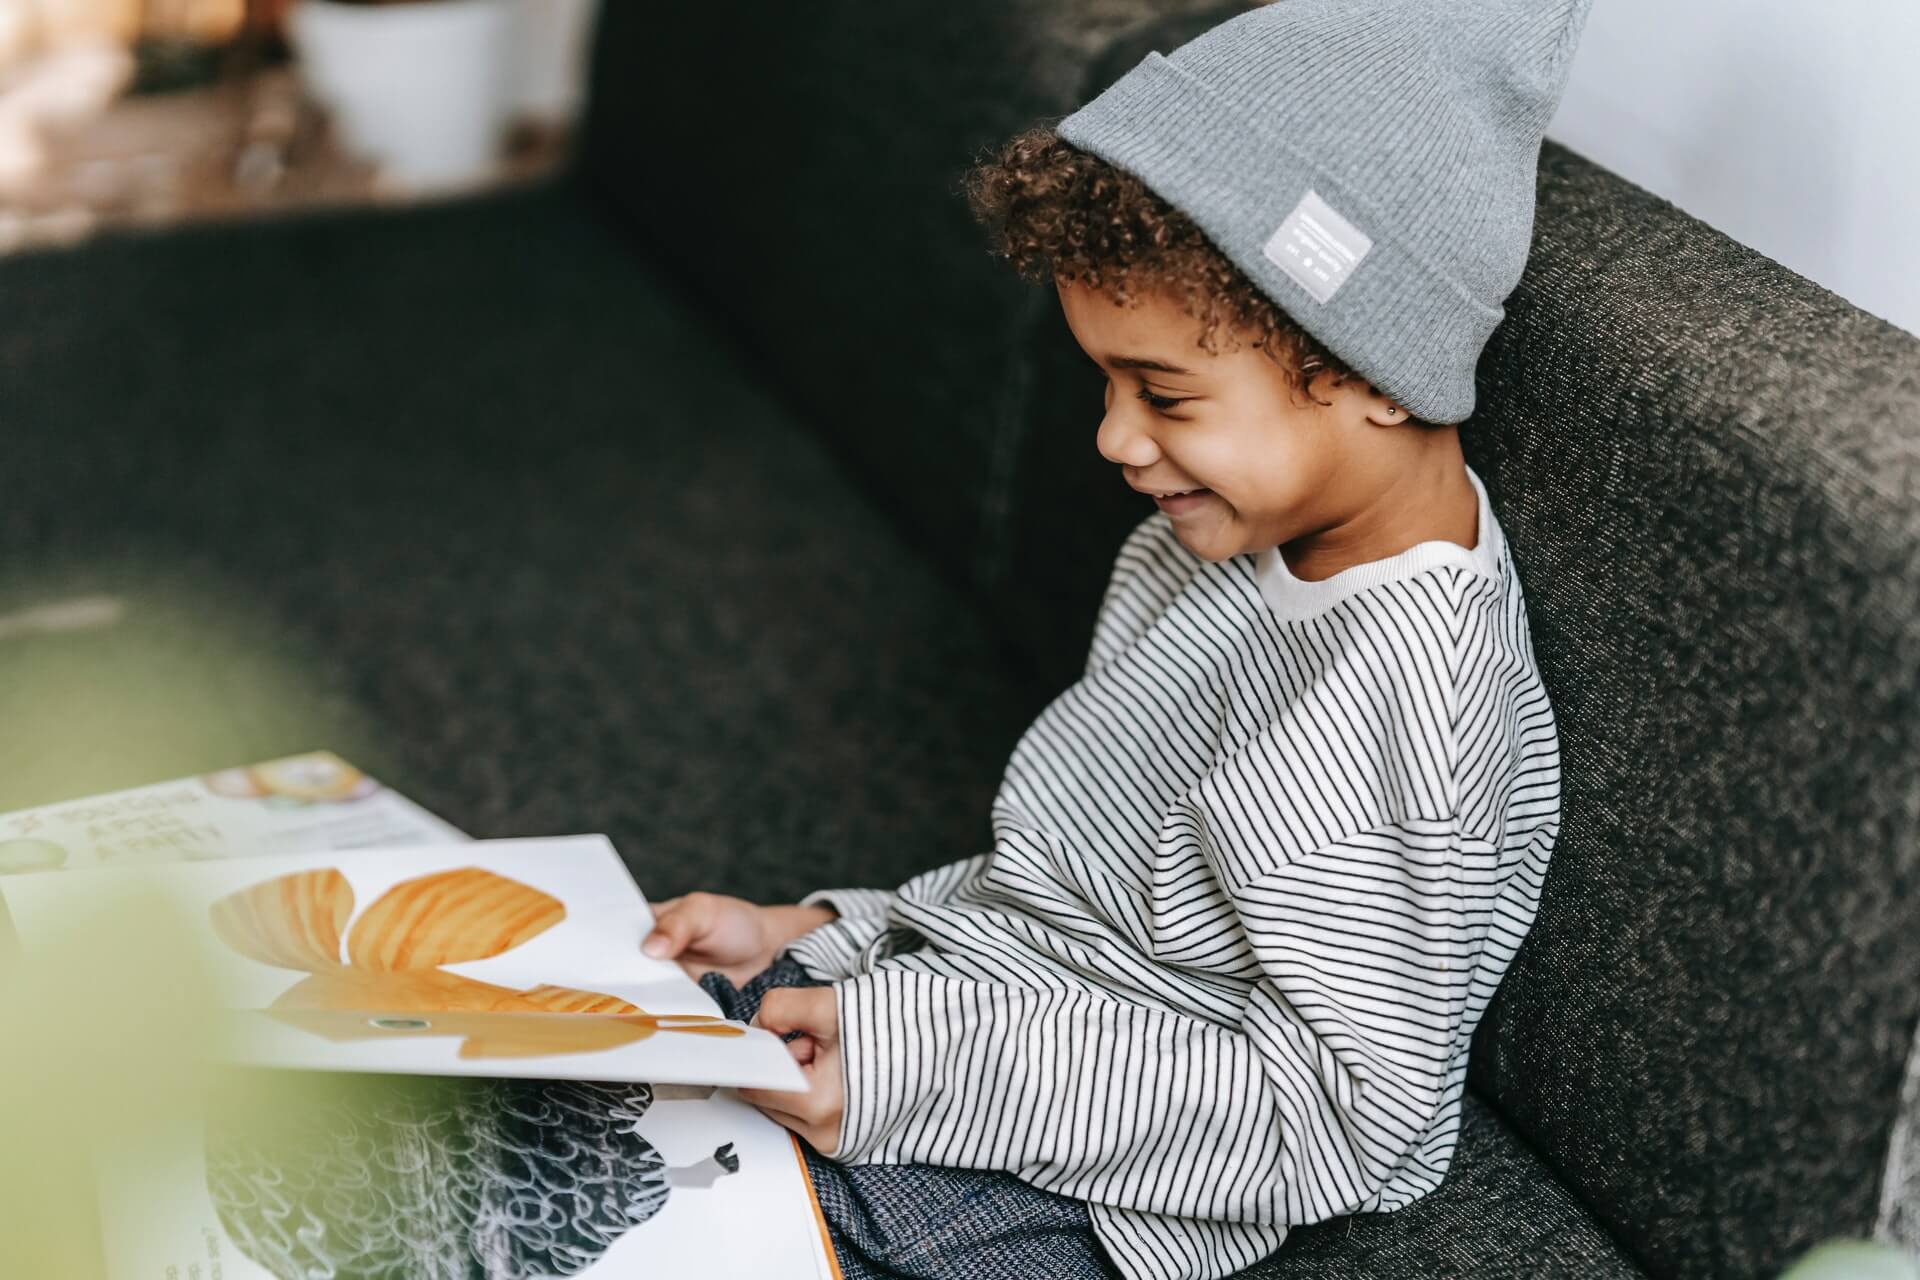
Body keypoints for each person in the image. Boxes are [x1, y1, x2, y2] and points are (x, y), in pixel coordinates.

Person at [644, 2, 1589, 1276]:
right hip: (944, 1028)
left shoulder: (1409, 706)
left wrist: (913, 1061)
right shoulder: (1207, 550)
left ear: (1373, 368)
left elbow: (1357, 1120)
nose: (1116, 439)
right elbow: (1067, 900)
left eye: (1166, 393)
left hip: (1069, 1166)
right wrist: (822, 927)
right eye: (1105, 382)